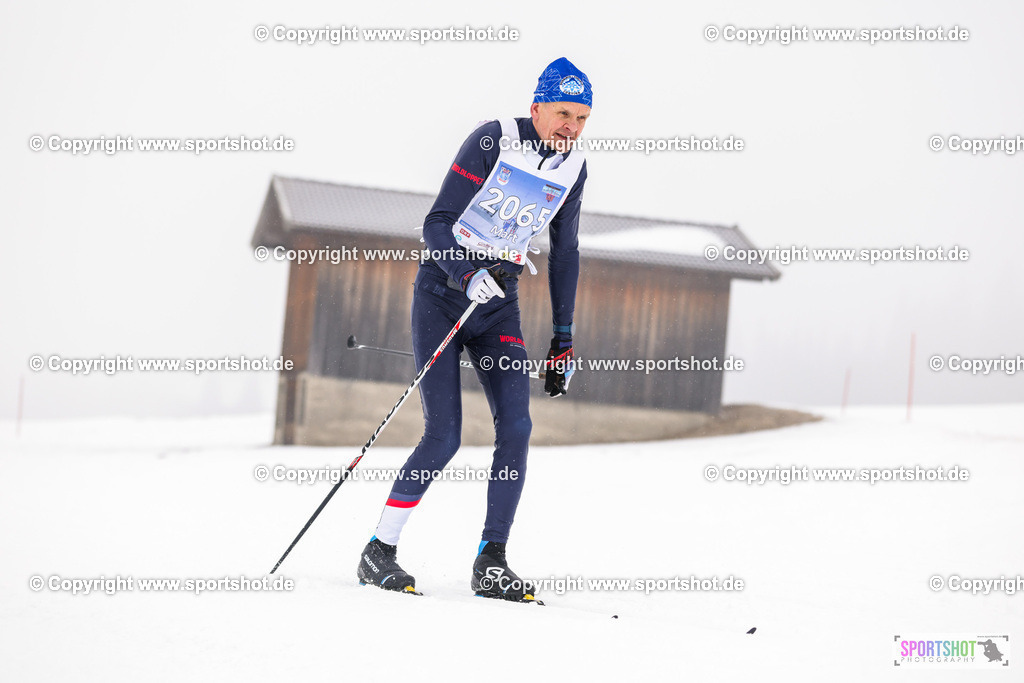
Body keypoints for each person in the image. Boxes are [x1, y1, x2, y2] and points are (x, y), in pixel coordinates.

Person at [357, 57, 592, 602]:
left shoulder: (573, 168)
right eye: (562, 113)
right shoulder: (492, 142)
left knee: (517, 427)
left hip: (498, 306)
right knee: (445, 435)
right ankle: (379, 551)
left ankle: (492, 561)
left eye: (581, 117)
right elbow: (438, 222)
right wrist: (465, 272)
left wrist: (564, 337)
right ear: (536, 107)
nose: (571, 127)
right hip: (442, 294)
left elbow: (566, 253)